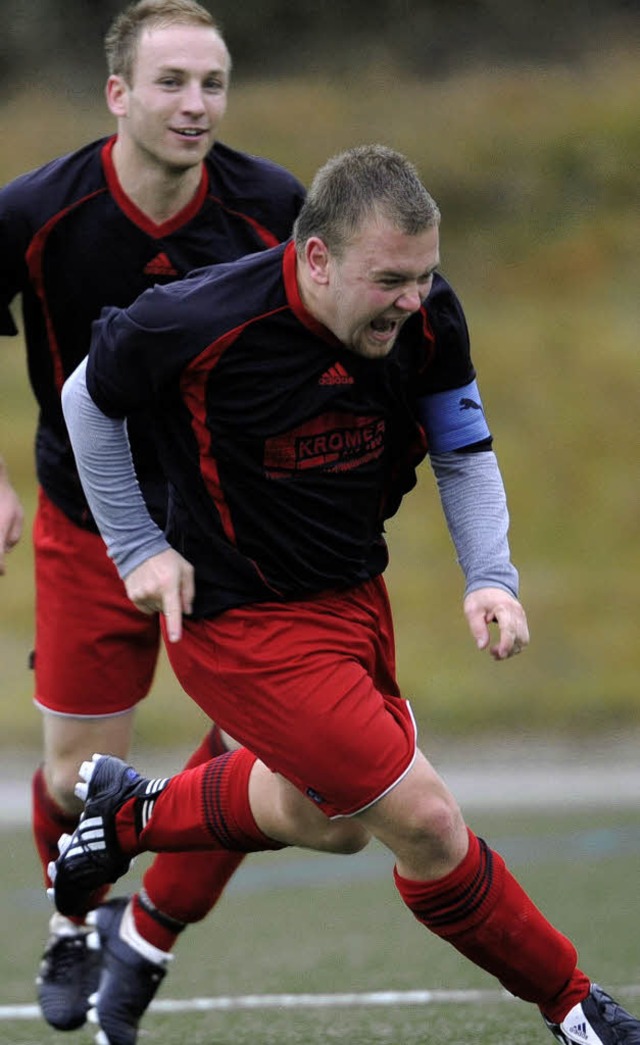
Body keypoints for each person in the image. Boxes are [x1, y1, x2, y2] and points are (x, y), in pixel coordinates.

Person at [56, 142, 640, 1045]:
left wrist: (491, 574)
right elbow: (85, 400)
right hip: (238, 624)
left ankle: (135, 816)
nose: (414, 299)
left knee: (326, 823)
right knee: (428, 823)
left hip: (356, 604)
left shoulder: (428, 316)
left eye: (426, 274)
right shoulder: (198, 319)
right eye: (390, 279)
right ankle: (577, 1005)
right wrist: (137, 546)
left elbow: (462, 448)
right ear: (316, 257)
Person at [0, 2, 368, 1040]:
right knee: (75, 779)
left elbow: (328, 346)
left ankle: (148, 935)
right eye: (170, 82)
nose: (194, 104)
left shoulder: (273, 207)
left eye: (212, 82)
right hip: (86, 521)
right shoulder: (34, 212)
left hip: (229, 535)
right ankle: (76, 921)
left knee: (279, 761)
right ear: (117, 93)